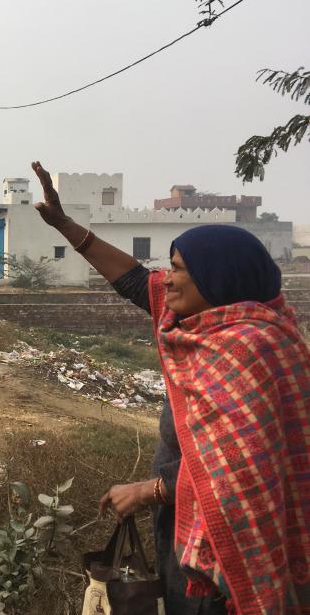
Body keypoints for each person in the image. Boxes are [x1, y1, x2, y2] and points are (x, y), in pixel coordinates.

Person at [30, 161, 309, 614]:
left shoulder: (247, 350)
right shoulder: (216, 325)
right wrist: (66, 227)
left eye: (178, 269)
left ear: (218, 280)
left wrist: (147, 491)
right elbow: (138, 281)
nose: (168, 278)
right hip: (186, 524)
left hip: (225, 554)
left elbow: (234, 470)